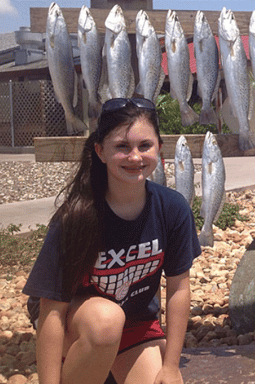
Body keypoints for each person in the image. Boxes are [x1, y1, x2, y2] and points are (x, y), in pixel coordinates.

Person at [23, 97, 202, 384]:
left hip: (136, 319)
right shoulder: (77, 216)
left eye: (145, 146)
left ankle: (103, 365)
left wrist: (171, 367)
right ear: (100, 151)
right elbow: (51, 310)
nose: (135, 157)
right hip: (76, 318)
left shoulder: (173, 207)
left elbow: (179, 288)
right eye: (121, 146)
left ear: (159, 148)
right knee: (107, 322)